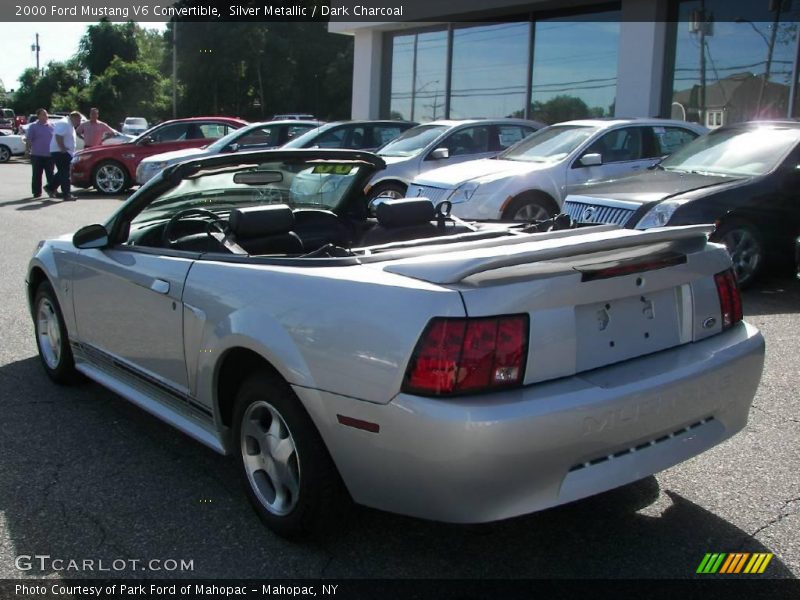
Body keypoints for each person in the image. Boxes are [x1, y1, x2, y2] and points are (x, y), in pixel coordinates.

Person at [50, 111, 81, 201]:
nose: (79, 122)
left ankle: (50, 187)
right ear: (74, 118)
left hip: (63, 151)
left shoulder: (69, 124)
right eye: (78, 120)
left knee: (62, 172)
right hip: (60, 152)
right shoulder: (65, 123)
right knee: (65, 173)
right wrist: (62, 148)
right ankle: (66, 194)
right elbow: (58, 136)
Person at [25, 108, 55, 198]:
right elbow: (29, 140)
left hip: (49, 155)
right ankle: (36, 192)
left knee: (50, 175)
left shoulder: (52, 126)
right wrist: (27, 150)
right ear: (38, 116)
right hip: (37, 155)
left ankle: (52, 190)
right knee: (37, 175)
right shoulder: (33, 126)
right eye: (43, 114)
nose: (46, 116)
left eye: (46, 114)